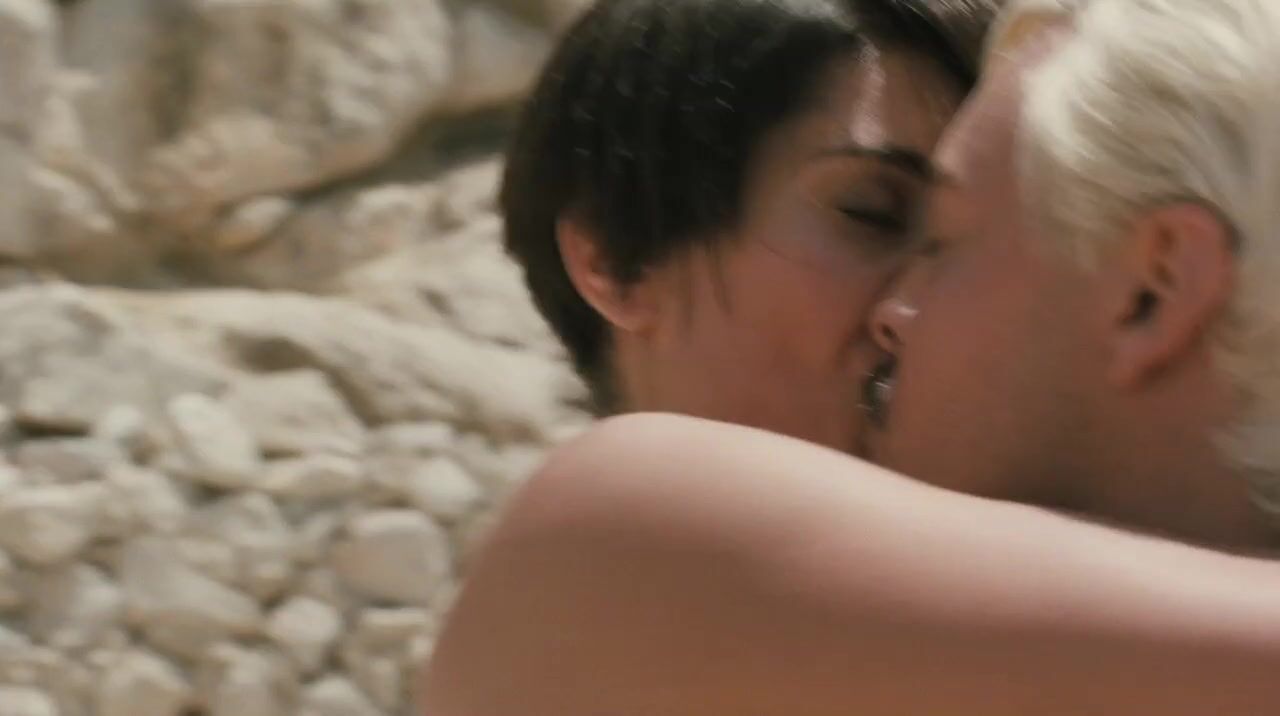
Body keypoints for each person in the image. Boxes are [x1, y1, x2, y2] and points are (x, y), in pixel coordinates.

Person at [423, 0, 1280, 713]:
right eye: (872, 214)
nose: (901, 307)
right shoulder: (623, 533)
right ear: (619, 259)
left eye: (947, 243)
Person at [501, 0, 1000, 452]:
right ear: (618, 259)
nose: (933, 305)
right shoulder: (579, 514)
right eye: (872, 213)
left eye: (982, 247)